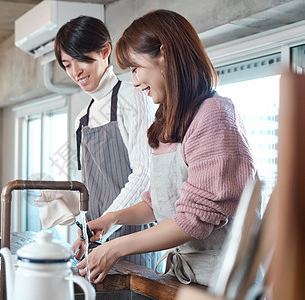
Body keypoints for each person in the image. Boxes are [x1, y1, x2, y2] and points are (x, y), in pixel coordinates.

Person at [75, 9, 256, 286]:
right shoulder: (169, 121)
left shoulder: (215, 114)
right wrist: (111, 219)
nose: (134, 81)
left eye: (135, 68)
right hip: (185, 281)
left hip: (224, 283)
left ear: (165, 55)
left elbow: (194, 218)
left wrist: (116, 247)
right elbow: (158, 200)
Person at [54, 16, 157, 267]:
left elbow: (144, 173)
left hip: (134, 235)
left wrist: (107, 226)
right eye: (67, 64)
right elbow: (87, 184)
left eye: (81, 59)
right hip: (97, 236)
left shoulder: (133, 96)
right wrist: (84, 230)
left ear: (105, 51)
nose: (74, 71)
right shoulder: (82, 118)